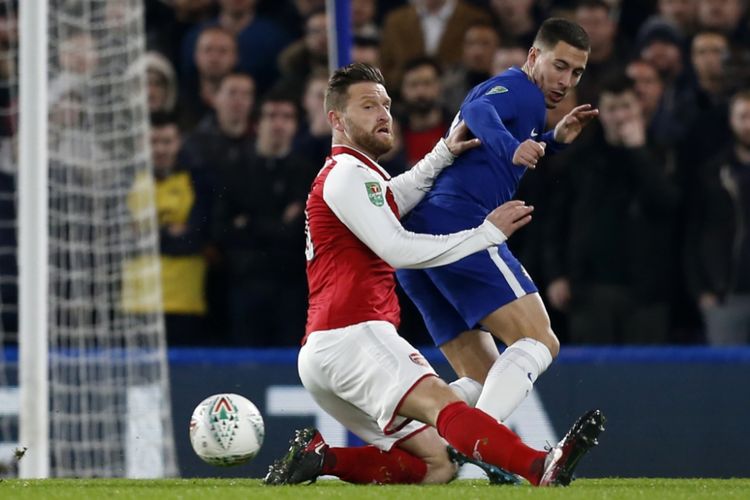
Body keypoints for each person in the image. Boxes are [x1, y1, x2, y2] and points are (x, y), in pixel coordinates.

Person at [264, 62, 604, 487]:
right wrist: (485, 234)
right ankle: (538, 465)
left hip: (327, 351)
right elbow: (396, 246)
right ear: (336, 119)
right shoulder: (346, 175)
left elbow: (395, 197)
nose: (383, 114)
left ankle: (322, 458)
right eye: (368, 106)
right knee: (447, 408)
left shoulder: (357, 176)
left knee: (435, 465)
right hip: (353, 335)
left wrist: (442, 152)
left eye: (386, 105)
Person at [395, 18, 598, 423]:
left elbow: (489, 136)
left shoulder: (525, 102)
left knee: (486, 378)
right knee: (540, 341)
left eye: (576, 72)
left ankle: (402, 447)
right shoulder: (523, 92)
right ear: (534, 55)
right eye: (560, 65)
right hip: (457, 228)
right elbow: (477, 109)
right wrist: (512, 146)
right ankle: (483, 453)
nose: (566, 79)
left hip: (419, 240)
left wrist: (551, 141)